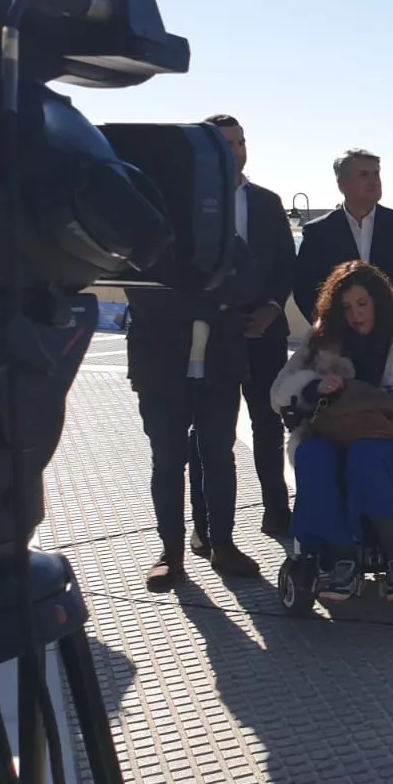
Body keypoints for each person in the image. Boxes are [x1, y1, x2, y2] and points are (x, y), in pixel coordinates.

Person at [270, 261, 393, 601]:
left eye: (362, 304)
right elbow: (280, 391)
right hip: (334, 435)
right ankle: (342, 557)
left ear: (379, 301)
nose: (355, 314)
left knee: (364, 454)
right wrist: (313, 388)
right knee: (311, 454)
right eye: (345, 307)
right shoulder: (323, 340)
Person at [125, 229, 263, 590]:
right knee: (168, 462)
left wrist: (188, 298)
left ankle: (223, 544)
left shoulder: (223, 237)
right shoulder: (144, 235)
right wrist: (215, 304)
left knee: (220, 457)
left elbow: (249, 284)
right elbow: (146, 298)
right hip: (159, 371)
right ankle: (171, 553)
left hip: (220, 367)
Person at [188, 114, 296, 552]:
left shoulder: (268, 203)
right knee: (209, 433)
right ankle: (206, 525)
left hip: (264, 335)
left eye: (240, 142)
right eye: (225, 144)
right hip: (209, 336)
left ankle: (277, 510)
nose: (235, 151)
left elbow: (285, 263)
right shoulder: (187, 202)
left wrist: (271, 309)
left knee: (269, 425)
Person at [293, 148, 393, 322]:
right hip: (340, 338)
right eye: (364, 175)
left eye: (376, 174)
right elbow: (305, 289)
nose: (374, 181)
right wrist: (330, 331)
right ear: (342, 184)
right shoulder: (318, 232)